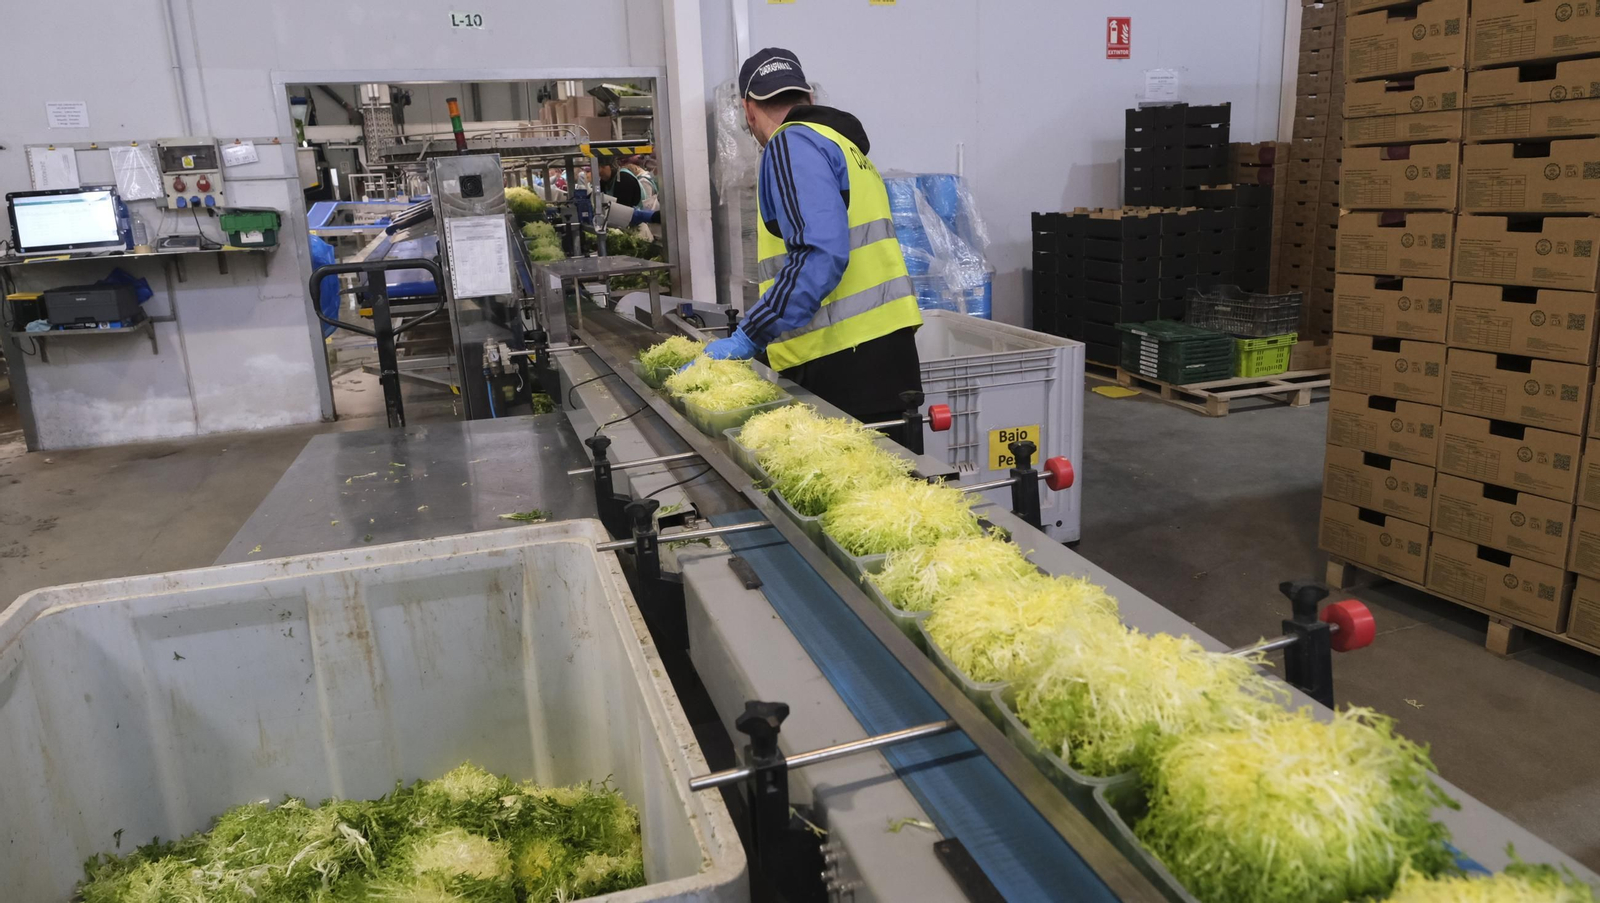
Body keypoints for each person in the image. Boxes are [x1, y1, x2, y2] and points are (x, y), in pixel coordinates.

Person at [700, 48, 923, 425]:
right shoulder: (844, 147)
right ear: (810, 97)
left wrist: (750, 335)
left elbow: (819, 254)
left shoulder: (790, 143)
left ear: (748, 110)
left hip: (840, 365)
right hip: (887, 358)